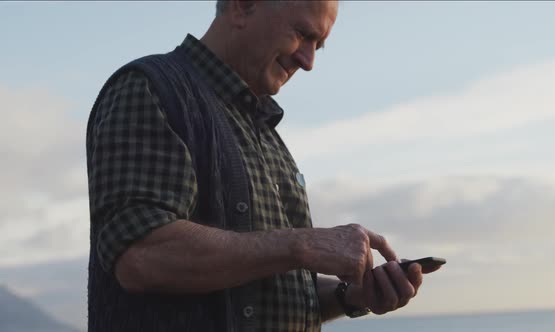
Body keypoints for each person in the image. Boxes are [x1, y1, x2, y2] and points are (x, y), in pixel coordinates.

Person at [86, 1, 440, 331]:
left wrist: (351, 295)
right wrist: (302, 245)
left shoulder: (265, 133)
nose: (309, 61)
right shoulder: (151, 88)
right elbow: (140, 255)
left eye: (319, 45)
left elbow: (270, 287)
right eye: (303, 35)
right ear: (242, 6)